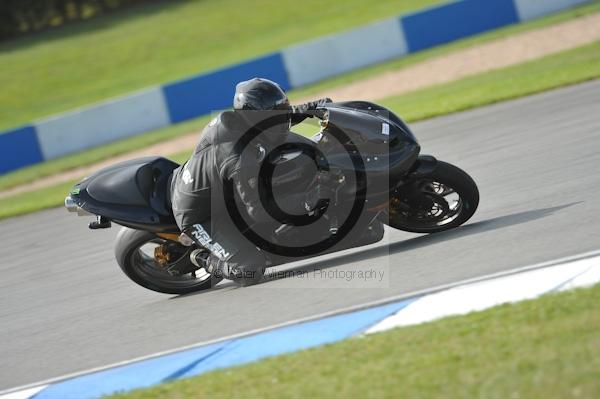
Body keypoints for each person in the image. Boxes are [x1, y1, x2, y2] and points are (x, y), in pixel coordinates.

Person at [169, 77, 332, 286]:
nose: (283, 116)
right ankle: (201, 257)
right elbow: (260, 211)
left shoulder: (239, 121)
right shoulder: (240, 159)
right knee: (249, 270)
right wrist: (308, 200)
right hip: (201, 215)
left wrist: (312, 109)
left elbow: (275, 119)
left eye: (284, 108)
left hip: (220, 191)